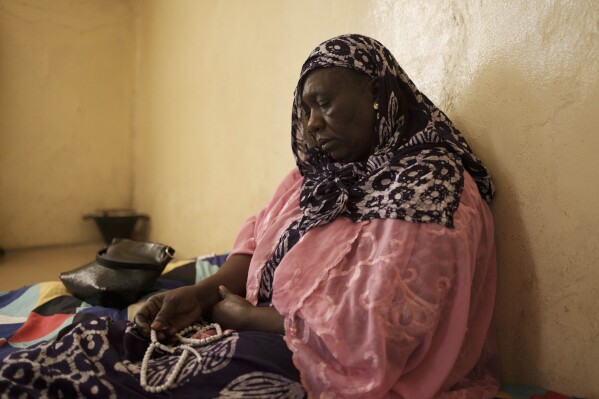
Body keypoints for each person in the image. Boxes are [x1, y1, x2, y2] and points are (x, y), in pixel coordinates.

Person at [0, 34, 499, 399]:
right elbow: (261, 236)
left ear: (375, 94)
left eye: (323, 103)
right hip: (254, 324)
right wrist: (202, 293)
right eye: (303, 109)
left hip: (331, 369)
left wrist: (245, 318)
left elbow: (379, 335)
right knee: (99, 335)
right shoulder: (320, 174)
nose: (311, 123)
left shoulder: (426, 186)